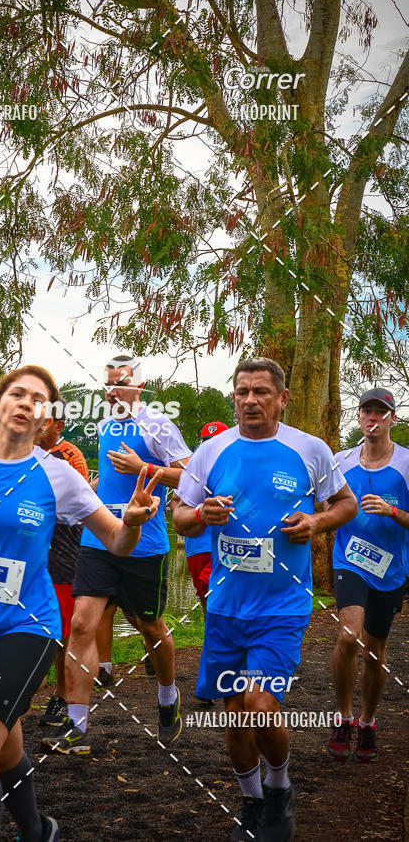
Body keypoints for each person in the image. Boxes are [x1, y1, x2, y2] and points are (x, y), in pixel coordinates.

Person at [0, 366, 162, 841]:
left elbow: (117, 542)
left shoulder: (58, 475)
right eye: (17, 394)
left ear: (46, 418)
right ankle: (38, 829)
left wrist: (134, 521)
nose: (27, 403)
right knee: (2, 747)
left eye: (38, 400)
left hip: (28, 626)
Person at [173, 357, 357, 842]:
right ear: (233, 397)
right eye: (241, 392)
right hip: (225, 609)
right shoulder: (211, 452)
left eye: (260, 391)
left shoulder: (309, 450)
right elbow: (179, 514)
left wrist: (317, 523)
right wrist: (200, 513)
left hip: (282, 607)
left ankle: (279, 787)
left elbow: (346, 504)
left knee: (258, 704)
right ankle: (253, 802)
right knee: (235, 717)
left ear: (282, 397)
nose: (249, 400)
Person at [43, 354, 191, 754]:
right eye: (107, 383)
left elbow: (193, 474)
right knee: (82, 624)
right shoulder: (105, 425)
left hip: (145, 545)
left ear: (139, 386)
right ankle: (76, 725)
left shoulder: (157, 423)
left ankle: (167, 699)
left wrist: (145, 467)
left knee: (151, 628)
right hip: (98, 542)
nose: (111, 391)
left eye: (120, 383)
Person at [328, 388, 409, 763]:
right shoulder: (340, 460)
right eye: (366, 410)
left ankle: (368, 721)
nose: (373, 416)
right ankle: (343, 717)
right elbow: (320, 503)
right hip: (350, 562)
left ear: (392, 418)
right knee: (348, 637)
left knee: (376, 652)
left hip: (391, 570)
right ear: (358, 417)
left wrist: (393, 514)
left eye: (381, 411)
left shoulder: (406, 464)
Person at [35, 401, 91, 728]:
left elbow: (75, 501)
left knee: (62, 632)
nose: (40, 425)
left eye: (47, 421)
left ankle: (61, 696)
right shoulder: (23, 450)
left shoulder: (70, 456)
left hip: (64, 549)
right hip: (32, 546)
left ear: (59, 424)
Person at [183, 421, 229, 612]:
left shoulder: (236, 466)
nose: (211, 446)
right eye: (207, 441)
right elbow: (176, 503)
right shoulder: (193, 468)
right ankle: (211, 637)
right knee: (204, 596)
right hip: (196, 546)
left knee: (222, 596)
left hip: (225, 545)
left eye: (217, 441)